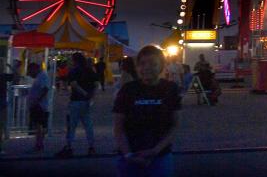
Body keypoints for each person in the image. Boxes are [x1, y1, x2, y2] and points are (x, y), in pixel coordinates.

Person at [113, 45, 181, 177]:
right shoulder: (128, 89)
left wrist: (156, 150)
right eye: (142, 63)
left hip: (160, 157)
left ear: (161, 66)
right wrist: (128, 154)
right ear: (137, 67)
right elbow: (118, 127)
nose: (147, 68)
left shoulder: (170, 89)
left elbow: (175, 125)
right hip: (130, 156)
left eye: (153, 63)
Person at [57, 52, 98, 157]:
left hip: (76, 100)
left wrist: (84, 94)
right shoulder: (89, 70)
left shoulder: (74, 71)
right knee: (88, 124)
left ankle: (69, 146)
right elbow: (95, 84)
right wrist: (91, 96)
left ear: (75, 61)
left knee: (72, 125)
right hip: (87, 102)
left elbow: (74, 84)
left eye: (71, 59)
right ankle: (91, 147)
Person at [26, 62, 50, 154]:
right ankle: (39, 143)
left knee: (39, 125)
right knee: (39, 125)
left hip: (39, 105)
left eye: (30, 71)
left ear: (34, 69)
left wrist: (37, 100)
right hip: (38, 104)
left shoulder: (42, 76)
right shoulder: (40, 77)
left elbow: (45, 89)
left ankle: (39, 144)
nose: (30, 73)